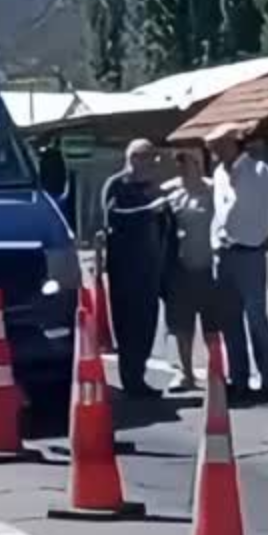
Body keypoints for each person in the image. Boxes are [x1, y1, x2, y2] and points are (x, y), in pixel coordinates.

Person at [207, 124, 268, 405]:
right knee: (230, 321)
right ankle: (238, 380)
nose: (213, 151)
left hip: (251, 252)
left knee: (256, 319)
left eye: (218, 145)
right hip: (224, 253)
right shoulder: (218, 174)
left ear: (233, 144)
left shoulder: (260, 171)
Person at [101, 139, 169, 398]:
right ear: (134, 158)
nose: (153, 163)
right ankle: (130, 380)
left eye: (154, 158)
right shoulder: (117, 185)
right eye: (148, 157)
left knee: (147, 324)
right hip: (125, 268)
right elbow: (114, 217)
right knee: (127, 325)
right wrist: (148, 210)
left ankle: (138, 377)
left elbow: (163, 226)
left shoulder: (153, 187)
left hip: (151, 266)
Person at [162, 151, 218, 394]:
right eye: (181, 165)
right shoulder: (173, 196)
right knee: (182, 326)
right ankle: (186, 374)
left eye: (190, 163)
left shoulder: (214, 191)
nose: (186, 168)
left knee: (212, 326)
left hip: (209, 267)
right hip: (181, 270)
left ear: (198, 165)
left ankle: (217, 372)